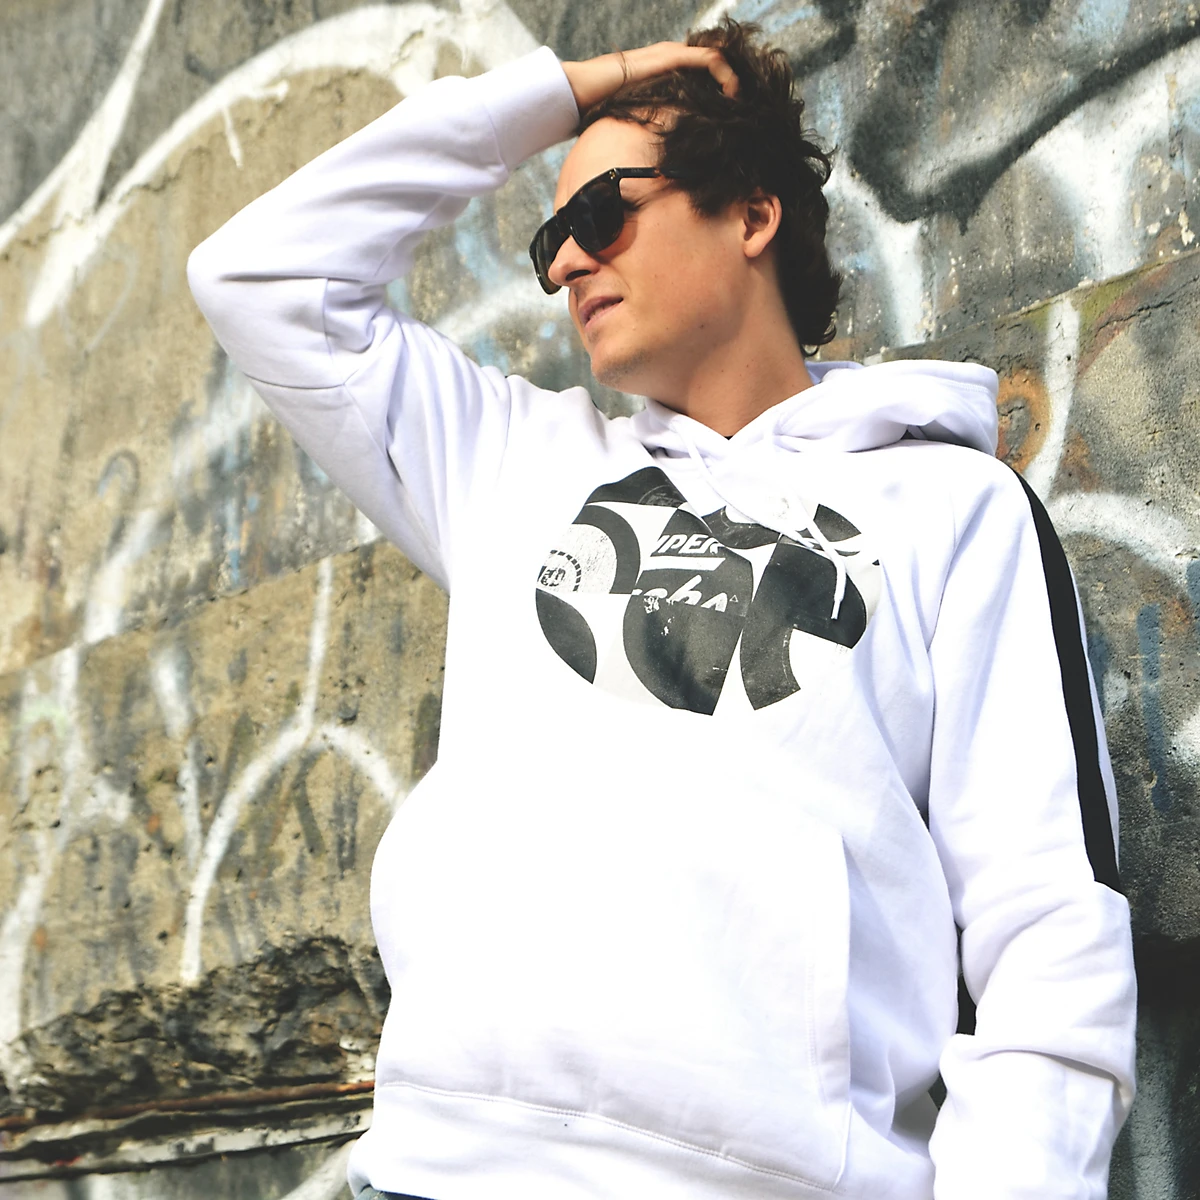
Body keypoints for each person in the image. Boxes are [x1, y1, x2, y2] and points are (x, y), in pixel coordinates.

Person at [187, 20, 1137, 1200]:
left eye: (603, 215)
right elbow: (257, 276)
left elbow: (1048, 933)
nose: (566, 266)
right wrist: (565, 95)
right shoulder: (504, 464)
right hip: (442, 1173)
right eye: (549, 241)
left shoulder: (953, 510)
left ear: (753, 215)